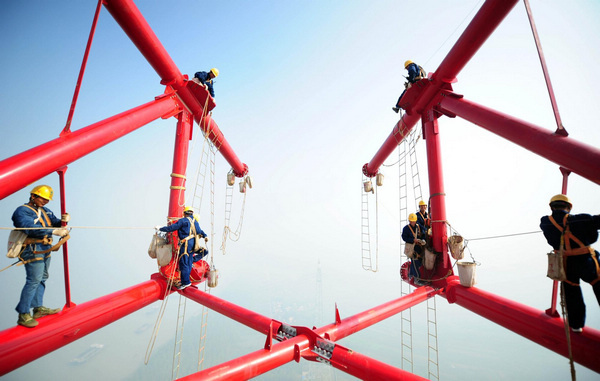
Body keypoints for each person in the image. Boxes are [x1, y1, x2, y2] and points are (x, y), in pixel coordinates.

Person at [539, 194, 600, 332]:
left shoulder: (545, 222)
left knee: (572, 292)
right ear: (569, 207)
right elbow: (594, 228)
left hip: (566, 263)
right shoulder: (581, 219)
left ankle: (576, 325)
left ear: (551, 207)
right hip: (587, 261)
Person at [12, 185, 69, 328]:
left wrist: (63, 221)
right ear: (33, 196)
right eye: (43, 199)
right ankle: (23, 313)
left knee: (42, 278)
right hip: (33, 248)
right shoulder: (22, 211)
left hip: (45, 248)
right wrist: (54, 232)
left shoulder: (45, 211)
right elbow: (28, 227)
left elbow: (54, 222)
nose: (45, 202)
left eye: (47, 200)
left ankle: (38, 308)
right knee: (34, 280)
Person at [156, 206, 208, 290]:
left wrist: (161, 228)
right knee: (188, 262)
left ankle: (186, 282)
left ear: (184, 213)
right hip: (192, 244)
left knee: (184, 263)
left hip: (185, 244)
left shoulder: (183, 221)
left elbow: (172, 228)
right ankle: (186, 279)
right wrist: (205, 235)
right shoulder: (195, 222)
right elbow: (199, 231)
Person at [402, 213, 427, 284]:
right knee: (415, 261)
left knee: (419, 262)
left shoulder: (418, 227)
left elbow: (424, 231)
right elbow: (404, 237)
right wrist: (412, 240)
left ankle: (411, 274)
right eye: (411, 221)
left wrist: (423, 239)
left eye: (413, 221)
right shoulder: (406, 228)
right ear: (409, 221)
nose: (412, 222)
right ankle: (417, 279)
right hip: (411, 248)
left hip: (419, 247)